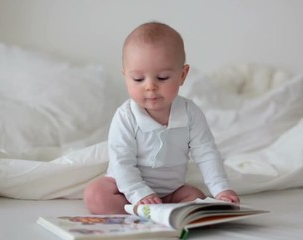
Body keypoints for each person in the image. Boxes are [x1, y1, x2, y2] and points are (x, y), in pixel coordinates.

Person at [84, 21, 239, 214]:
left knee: (197, 199)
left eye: (163, 77)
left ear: (182, 75)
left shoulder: (190, 113)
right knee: (95, 195)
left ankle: (165, 213)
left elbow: (206, 153)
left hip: (171, 192)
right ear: (125, 77)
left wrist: (221, 189)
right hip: (127, 189)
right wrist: (140, 194)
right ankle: (145, 212)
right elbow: (121, 162)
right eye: (138, 79)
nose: (150, 86)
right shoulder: (126, 116)